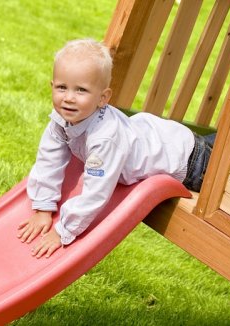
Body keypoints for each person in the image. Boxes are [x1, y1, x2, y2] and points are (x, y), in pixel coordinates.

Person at [17, 39, 215, 258]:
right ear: (52, 86)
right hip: (160, 135)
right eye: (62, 87)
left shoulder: (105, 138)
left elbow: (96, 193)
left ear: (103, 98)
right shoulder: (60, 120)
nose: (69, 98)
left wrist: (62, 230)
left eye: (81, 90)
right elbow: (48, 159)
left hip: (188, 160)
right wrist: (43, 207)